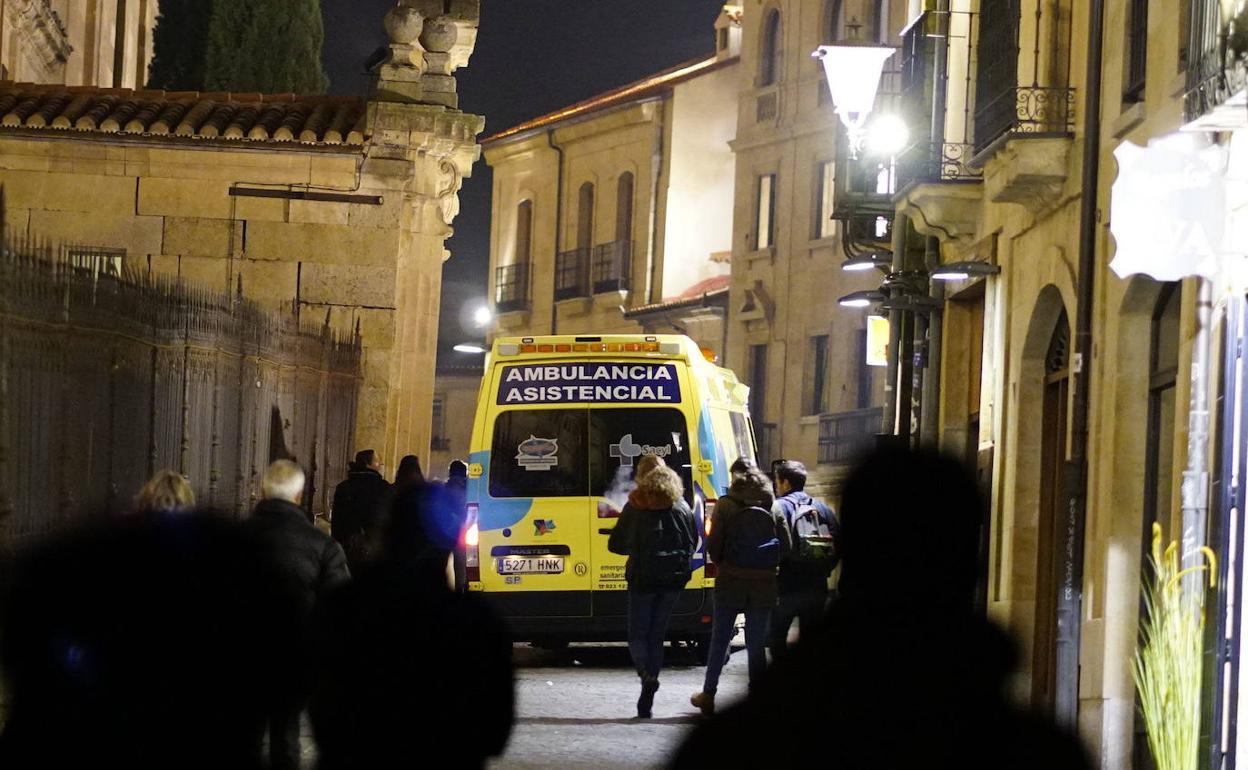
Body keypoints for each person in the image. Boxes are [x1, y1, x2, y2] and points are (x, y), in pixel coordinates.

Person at [671, 447, 1093, 769]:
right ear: (972, 561)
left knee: (770, 640)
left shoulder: (735, 744)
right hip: (798, 590)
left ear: (858, 550)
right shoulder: (1041, 751)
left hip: (773, 592)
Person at [310, 480, 514, 769]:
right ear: (447, 544)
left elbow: (320, 709)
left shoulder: (344, 608)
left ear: (387, 533)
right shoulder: (475, 621)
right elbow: (496, 730)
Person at [247, 460, 351, 770]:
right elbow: (340, 605)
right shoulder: (322, 545)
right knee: (286, 731)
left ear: (263, 491)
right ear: (299, 495)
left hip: (243, 652)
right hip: (295, 654)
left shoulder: (234, 539)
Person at [689, 458, 790, 716]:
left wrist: (728, 564)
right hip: (763, 584)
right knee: (756, 644)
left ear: (735, 478)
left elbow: (714, 547)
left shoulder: (725, 505)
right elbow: (786, 545)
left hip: (730, 582)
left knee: (720, 639)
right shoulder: (773, 505)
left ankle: (709, 695)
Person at [608, 456, 698, 719]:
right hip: (673, 580)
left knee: (637, 634)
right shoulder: (681, 505)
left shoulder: (636, 505)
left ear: (641, 477)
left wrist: (635, 547)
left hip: (643, 578)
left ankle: (646, 676)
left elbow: (616, 545)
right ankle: (650, 686)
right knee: (657, 634)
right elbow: (693, 541)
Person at [769, 459, 839, 658]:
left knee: (777, 637)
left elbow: (771, 544)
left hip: (785, 585)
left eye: (777, 481)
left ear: (786, 483)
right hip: (816, 586)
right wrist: (823, 569)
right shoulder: (822, 509)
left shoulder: (778, 507)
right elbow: (838, 544)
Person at [331, 449, 391, 572]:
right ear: (367, 464)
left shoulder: (343, 487)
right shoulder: (383, 488)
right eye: (377, 461)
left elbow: (337, 520)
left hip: (347, 545)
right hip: (374, 547)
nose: (380, 464)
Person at [445, 459, 470, 592]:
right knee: (461, 561)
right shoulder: (469, 489)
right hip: (464, 529)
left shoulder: (445, 488)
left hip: (447, 529)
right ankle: (461, 587)